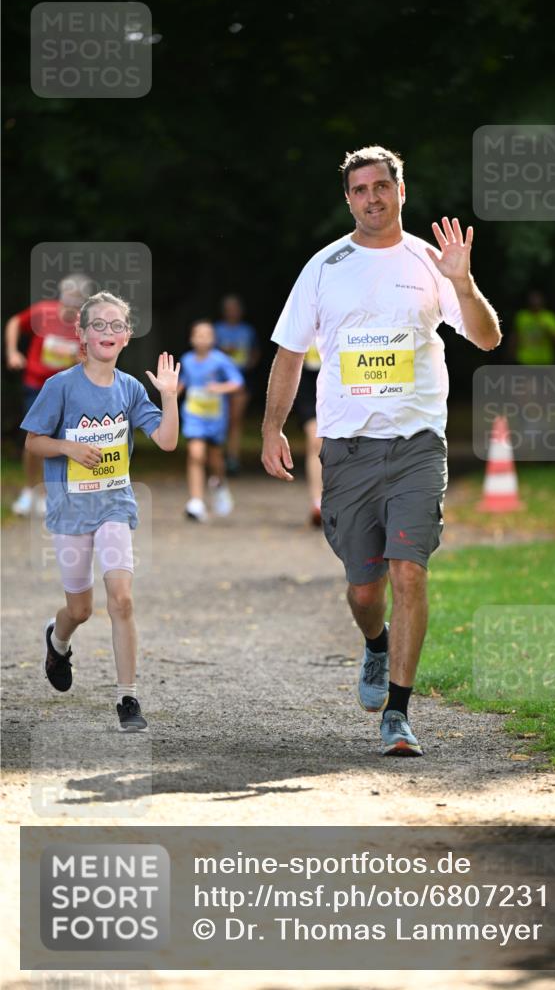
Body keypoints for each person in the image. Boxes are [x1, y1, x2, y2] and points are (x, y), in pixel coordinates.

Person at [261, 145, 501, 756]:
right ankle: (374, 644)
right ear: (349, 199)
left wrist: (464, 282)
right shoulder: (324, 266)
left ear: (401, 190)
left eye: (381, 186)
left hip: (419, 444)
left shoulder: (430, 261)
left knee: (409, 571)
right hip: (349, 450)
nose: (372, 197)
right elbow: (290, 353)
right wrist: (272, 428)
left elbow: (487, 336)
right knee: (365, 591)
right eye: (360, 189)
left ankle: (398, 713)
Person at [20, 291, 180, 732]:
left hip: (114, 505)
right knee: (81, 609)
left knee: (122, 601)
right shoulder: (60, 387)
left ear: (127, 336)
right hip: (71, 512)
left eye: (117, 325)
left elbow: (166, 441)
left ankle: (127, 699)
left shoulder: (130, 389)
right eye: (99, 325)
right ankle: (58, 638)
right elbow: (33, 442)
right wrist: (69, 446)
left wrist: (169, 396)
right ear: (83, 334)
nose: (108, 332)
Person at [5, 274, 95, 516]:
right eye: (68, 304)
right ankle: (28, 490)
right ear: (60, 299)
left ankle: (47, 494)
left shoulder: (85, 325)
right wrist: (13, 352)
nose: (70, 311)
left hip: (65, 389)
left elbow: (92, 357)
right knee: (34, 438)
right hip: (36, 385)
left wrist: (82, 360)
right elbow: (14, 322)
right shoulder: (44, 312)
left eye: (77, 306)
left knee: (57, 441)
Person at [178, 319, 244, 522]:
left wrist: (220, 388)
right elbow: (183, 382)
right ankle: (196, 501)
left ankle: (219, 484)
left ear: (213, 339)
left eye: (206, 335)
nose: (202, 339)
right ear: (191, 339)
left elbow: (238, 383)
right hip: (193, 415)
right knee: (195, 453)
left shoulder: (220, 360)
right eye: (198, 335)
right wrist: (170, 392)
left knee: (215, 459)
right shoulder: (187, 360)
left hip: (215, 417)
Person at [214, 294, 260, 474]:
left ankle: (233, 458)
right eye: (229, 308)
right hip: (219, 381)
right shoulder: (216, 329)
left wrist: (250, 363)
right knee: (220, 420)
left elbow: (255, 351)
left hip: (242, 379)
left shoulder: (248, 330)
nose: (232, 312)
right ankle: (217, 457)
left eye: (235, 308)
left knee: (235, 420)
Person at [293, 344, 323, 526]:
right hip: (307, 383)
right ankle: (317, 502)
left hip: (341, 379)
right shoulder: (300, 316)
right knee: (315, 441)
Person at [512, 290, 555, 365]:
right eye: (533, 300)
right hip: (525, 359)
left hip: (544, 361)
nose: (535, 303)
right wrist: (511, 352)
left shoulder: (549, 318)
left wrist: (548, 331)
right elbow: (515, 336)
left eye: (537, 300)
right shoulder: (522, 316)